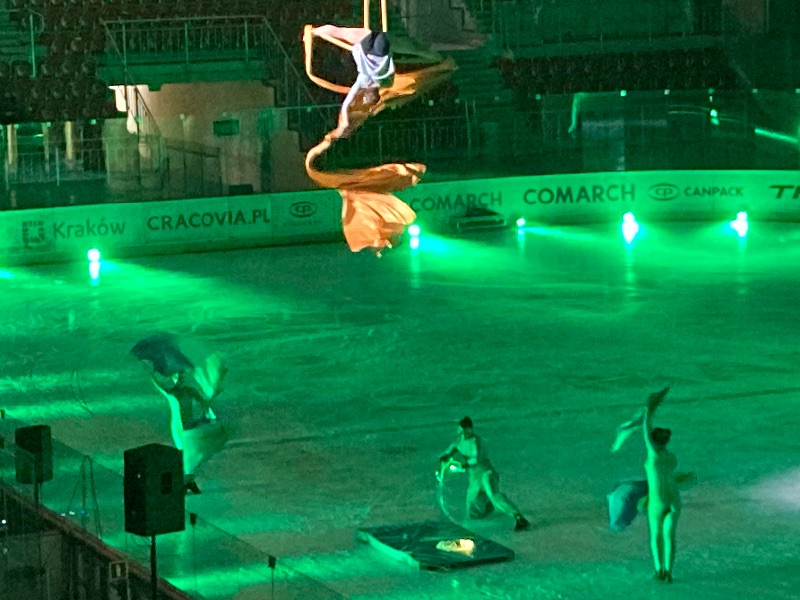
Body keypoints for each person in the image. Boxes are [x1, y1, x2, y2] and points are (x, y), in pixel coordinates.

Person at [438, 416, 530, 531]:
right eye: (461, 430)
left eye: (466, 430)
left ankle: (518, 518)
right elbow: (447, 453)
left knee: (494, 496)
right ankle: (478, 522)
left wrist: (462, 466)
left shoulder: (476, 442)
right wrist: (444, 461)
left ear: (470, 429)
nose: (464, 433)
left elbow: (476, 459)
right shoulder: (459, 441)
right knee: (472, 505)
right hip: (474, 478)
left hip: (486, 474)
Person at [310, 25, 395, 133]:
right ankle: (314, 32)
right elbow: (347, 101)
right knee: (340, 32)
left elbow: (391, 67)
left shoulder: (387, 83)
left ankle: (315, 32)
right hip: (367, 48)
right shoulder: (363, 81)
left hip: (382, 47)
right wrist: (344, 120)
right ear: (365, 93)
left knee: (343, 32)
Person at [152, 371, 219, 495]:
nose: (180, 380)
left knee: (192, 454)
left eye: (182, 377)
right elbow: (159, 386)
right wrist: (152, 375)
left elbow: (203, 402)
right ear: (173, 379)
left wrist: (211, 414)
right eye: (177, 377)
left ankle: (188, 481)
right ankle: (186, 482)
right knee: (183, 454)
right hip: (178, 427)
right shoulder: (170, 392)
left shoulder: (190, 391)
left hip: (189, 425)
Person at [642, 405, 681, 583]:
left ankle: (659, 570)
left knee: (656, 535)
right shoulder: (670, 457)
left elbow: (646, 432)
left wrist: (648, 412)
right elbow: (669, 478)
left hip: (657, 502)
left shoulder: (653, 456)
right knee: (669, 536)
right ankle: (669, 572)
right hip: (673, 498)